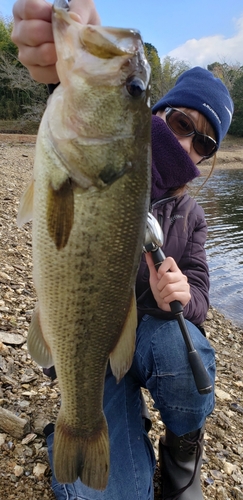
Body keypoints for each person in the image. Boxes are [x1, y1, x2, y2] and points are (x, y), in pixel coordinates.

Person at [11, 1, 234, 499]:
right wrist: (58, 44)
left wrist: (184, 294)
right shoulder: (104, 153)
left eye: (205, 142)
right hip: (91, 351)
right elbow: (87, 121)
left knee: (189, 354)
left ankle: (182, 451)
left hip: (145, 339)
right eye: (179, 122)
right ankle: (68, 431)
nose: (188, 144)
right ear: (155, 111)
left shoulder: (191, 216)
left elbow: (199, 288)